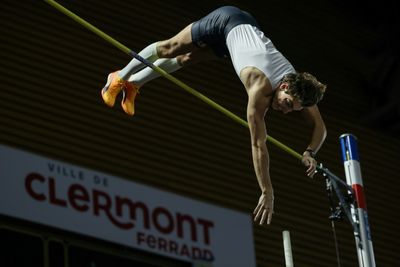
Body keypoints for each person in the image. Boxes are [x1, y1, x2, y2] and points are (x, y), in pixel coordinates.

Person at [100, 6, 327, 225]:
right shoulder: (258, 90)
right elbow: (259, 145)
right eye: (286, 103)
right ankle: (119, 76)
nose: (285, 110)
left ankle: (134, 84)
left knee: (189, 59)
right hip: (226, 21)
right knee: (172, 48)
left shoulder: (299, 88)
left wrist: (310, 152)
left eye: (292, 110)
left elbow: (321, 127)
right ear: (285, 85)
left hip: (242, 33)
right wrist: (267, 191)